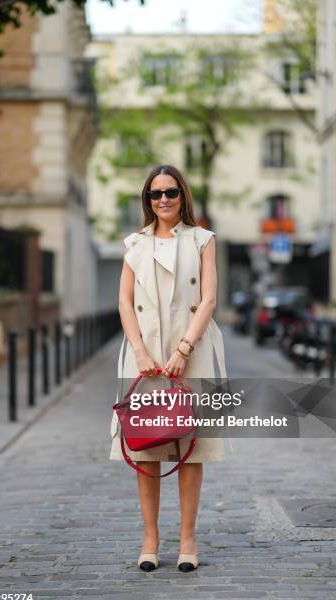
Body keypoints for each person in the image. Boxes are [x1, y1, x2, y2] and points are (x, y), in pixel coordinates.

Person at [109, 164, 227, 572]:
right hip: (145, 356)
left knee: (189, 448)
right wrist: (140, 352)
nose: (163, 200)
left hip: (190, 349)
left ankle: (188, 540)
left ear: (183, 196)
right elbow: (125, 302)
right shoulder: (134, 243)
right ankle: (150, 539)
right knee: (146, 445)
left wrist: (184, 347)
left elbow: (208, 299)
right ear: (147, 200)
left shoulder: (202, 240)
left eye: (170, 193)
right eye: (154, 194)